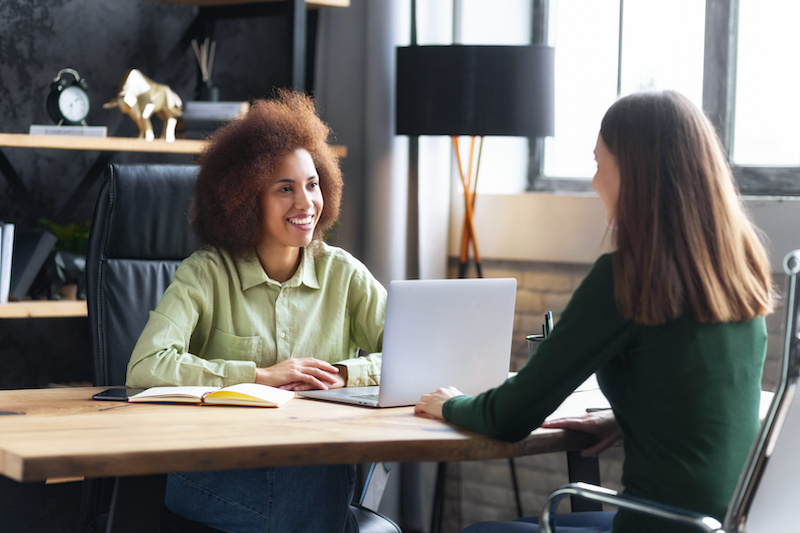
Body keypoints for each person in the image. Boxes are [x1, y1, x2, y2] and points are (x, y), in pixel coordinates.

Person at [415, 90, 774, 533]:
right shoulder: (739, 272)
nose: (594, 181)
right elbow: (704, 399)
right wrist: (626, 421)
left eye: (600, 163)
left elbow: (510, 417)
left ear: (635, 172)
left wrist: (450, 404)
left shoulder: (630, 277)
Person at [127, 90, 386, 533]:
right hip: (215, 474)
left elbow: (415, 355)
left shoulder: (343, 274)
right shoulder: (205, 273)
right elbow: (147, 366)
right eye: (284, 189)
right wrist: (258, 376)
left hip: (310, 466)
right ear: (247, 200)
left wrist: (344, 374)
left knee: (316, 469)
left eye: (312, 184)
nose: (305, 203)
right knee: (317, 487)